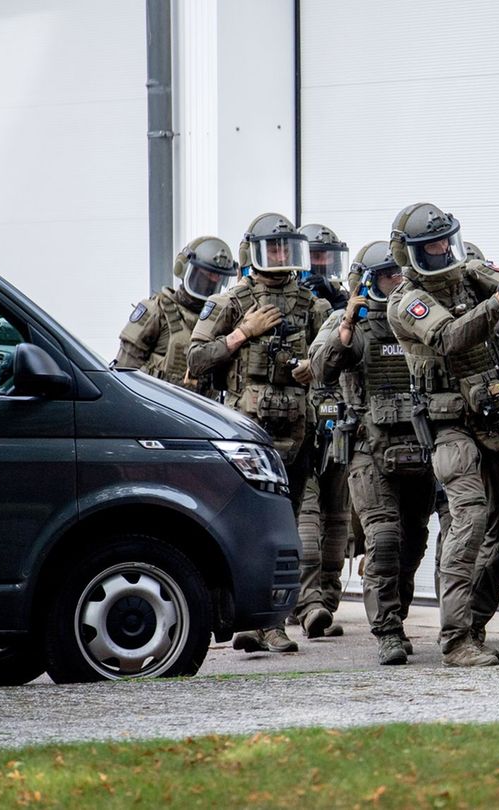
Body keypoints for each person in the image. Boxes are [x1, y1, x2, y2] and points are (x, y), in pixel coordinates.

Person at [384, 202, 499, 667]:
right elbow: (449, 337)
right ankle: (456, 639)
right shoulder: (406, 301)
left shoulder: (469, 275)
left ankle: (474, 615)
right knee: (468, 520)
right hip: (450, 424)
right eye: (430, 247)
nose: (441, 251)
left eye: (445, 242)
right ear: (409, 253)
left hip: (495, 415)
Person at [187, 212, 332, 654]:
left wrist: (315, 369)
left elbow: (336, 358)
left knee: (298, 532)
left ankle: (288, 615)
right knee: (251, 530)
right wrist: (240, 335)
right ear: (254, 251)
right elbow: (196, 359)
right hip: (247, 437)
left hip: (300, 434)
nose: (280, 256)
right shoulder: (232, 301)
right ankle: (259, 623)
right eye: (272, 248)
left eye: (287, 247)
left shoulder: (313, 304)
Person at [310, 241, 433, 664]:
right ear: (365, 280)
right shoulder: (345, 322)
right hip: (369, 446)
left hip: (419, 445)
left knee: (414, 540)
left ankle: (395, 612)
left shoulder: (416, 316)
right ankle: (388, 631)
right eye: (386, 276)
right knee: (383, 537)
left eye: (400, 274)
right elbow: (321, 369)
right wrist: (345, 328)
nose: (396, 283)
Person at [291, 224, 355, 639]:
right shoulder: (283, 306)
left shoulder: (346, 308)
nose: (321, 269)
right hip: (298, 428)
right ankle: (307, 600)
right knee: (307, 521)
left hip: (340, 423)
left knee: (339, 522)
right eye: (314, 259)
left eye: (327, 260)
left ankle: (326, 602)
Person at [116, 236, 237, 395]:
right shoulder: (157, 311)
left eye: (218, 276)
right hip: (155, 407)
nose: (213, 281)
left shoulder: (220, 321)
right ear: (184, 269)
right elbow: (123, 374)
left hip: (202, 415)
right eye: (206, 274)